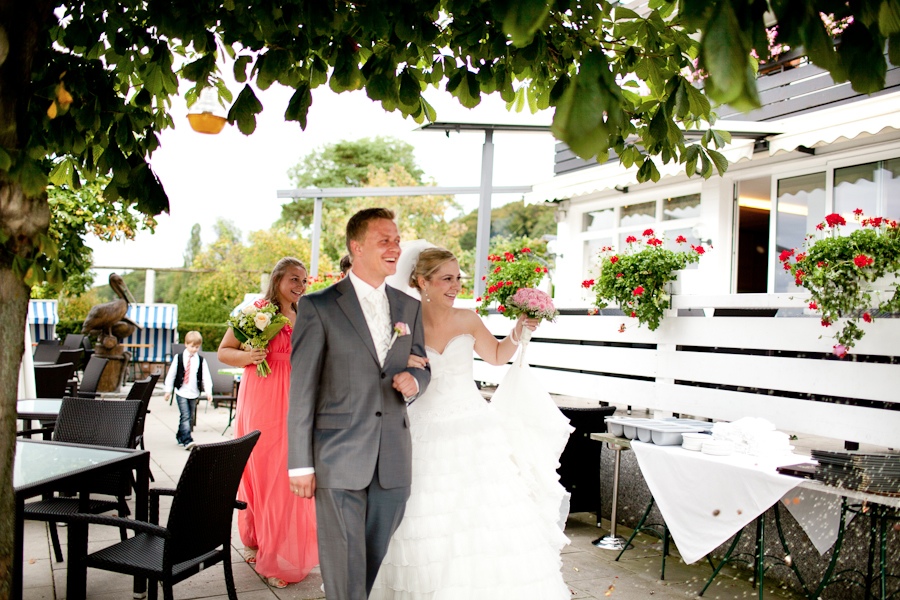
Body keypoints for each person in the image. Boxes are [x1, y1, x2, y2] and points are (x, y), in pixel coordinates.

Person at [370, 247, 573, 599]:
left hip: (475, 431)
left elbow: (496, 356)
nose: (455, 285)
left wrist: (518, 331)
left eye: (458, 278)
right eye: (447, 278)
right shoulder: (403, 324)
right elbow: (384, 373)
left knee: (483, 517)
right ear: (423, 282)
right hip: (423, 431)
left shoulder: (468, 318)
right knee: (426, 518)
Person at [288, 208, 431, 600]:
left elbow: (423, 363)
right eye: (384, 240)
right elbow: (301, 390)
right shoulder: (318, 307)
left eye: (397, 240)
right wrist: (300, 464)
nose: (395, 247)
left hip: (393, 459)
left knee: (368, 560)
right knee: (343, 562)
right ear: (357, 247)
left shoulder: (408, 307)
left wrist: (415, 380)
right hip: (338, 454)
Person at [218, 257, 318, 589]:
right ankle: (266, 547)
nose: (299, 286)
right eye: (294, 279)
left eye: (303, 281)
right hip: (262, 395)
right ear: (277, 279)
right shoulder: (256, 310)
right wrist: (248, 357)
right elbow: (224, 351)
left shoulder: (307, 314)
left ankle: (281, 549)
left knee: (288, 471)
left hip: (297, 395)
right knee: (264, 469)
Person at [163, 330, 212, 450]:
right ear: (185, 344)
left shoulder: (201, 360)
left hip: (194, 393)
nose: (194, 349)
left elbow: (206, 376)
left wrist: (208, 392)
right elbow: (171, 374)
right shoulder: (178, 358)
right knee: (185, 415)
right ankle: (187, 439)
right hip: (181, 392)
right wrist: (168, 390)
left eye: (197, 347)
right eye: (192, 346)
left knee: (189, 416)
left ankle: (180, 435)